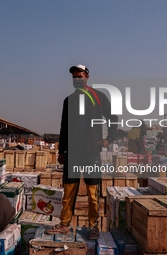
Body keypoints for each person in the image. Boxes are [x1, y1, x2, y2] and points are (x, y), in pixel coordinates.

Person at [46, 64, 118, 239]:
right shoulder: (68, 101)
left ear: (87, 76)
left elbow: (113, 118)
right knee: (69, 191)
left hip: (91, 153)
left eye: (80, 76)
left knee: (93, 194)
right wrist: (61, 151)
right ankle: (64, 225)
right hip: (73, 154)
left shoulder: (99, 97)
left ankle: (93, 226)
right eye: (74, 77)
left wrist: (109, 139)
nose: (77, 80)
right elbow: (64, 127)